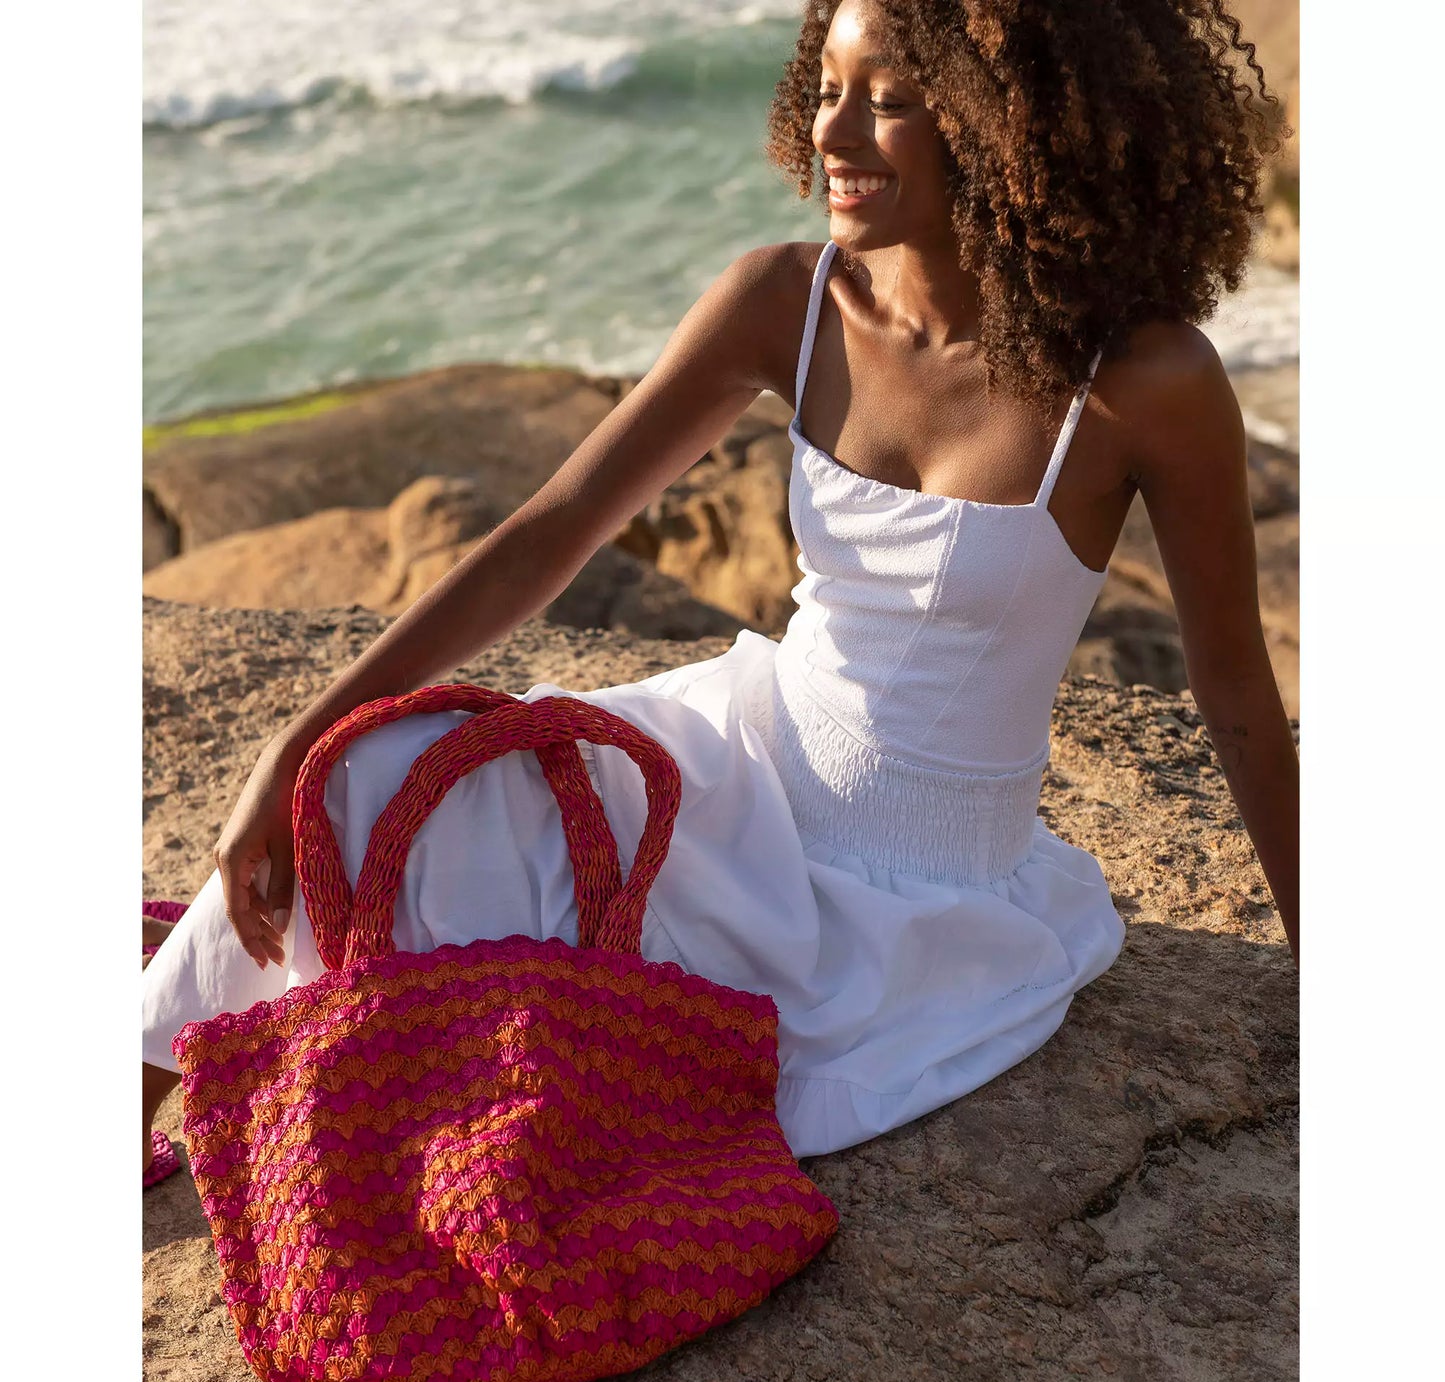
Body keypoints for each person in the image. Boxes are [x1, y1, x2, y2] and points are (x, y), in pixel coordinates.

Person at [142, 0, 1298, 1175]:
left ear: (1004, 118)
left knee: (581, 1093)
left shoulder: (1140, 382)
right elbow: (554, 527)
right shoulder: (787, 300)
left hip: (914, 901)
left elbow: (1235, 691)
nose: (831, 132)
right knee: (359, 779)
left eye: (888, 101)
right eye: (826, 89)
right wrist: (298, 737)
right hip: (728, 771)